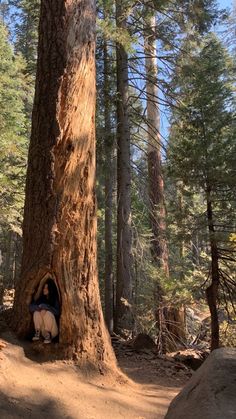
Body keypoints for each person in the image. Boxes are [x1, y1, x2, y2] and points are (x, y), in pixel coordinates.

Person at [29, 278, 60, 344]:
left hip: (53, 330)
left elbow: (57, 312)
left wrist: (46, 308)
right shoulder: (41, 299)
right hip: (43, 331)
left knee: (48, 313)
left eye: (46, 288)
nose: (44, 289)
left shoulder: (54, 299)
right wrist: (40, 308)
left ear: (50, 289)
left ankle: (49, 336)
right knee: (36, 312)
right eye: (44, 288)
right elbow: (31, 307)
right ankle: (37, 333)